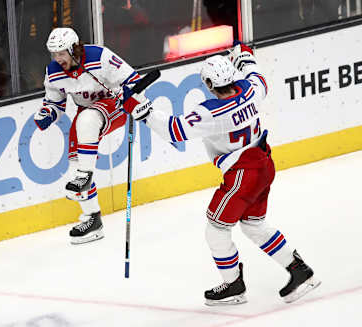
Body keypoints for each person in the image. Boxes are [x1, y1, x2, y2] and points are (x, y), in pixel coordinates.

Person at [126, 42, 321, 305]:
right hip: (263, 163)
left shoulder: (211, 112)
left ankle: (233, 286)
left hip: (243, 174)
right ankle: (301, 272)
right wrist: (244, 55)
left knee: (216, 231)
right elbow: (255, 72)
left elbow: (174, 130)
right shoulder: (252, 90)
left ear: (207, 83)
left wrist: (144, 111)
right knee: (254, 226)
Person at [34, 27, 141, 244]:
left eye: (61, 53)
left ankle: (85, 175)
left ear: (74, 49)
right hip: (86, 114)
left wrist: (130, 93)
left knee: (87, 120)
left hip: (115, 106)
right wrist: (48, 113)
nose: (57, 58)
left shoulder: (101, 56)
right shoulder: (53, 71)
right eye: (54, 54)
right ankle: (93, 219)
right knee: (75, 168)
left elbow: (134, 80)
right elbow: (55, 102)